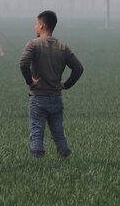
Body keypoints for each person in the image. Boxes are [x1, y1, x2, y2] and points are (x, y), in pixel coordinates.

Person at [19, 10, 84, 158]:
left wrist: (30, 82)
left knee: (36, 133)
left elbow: (23, 64)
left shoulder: (33, 44)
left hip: (38, 98)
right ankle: (65, 159)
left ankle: (36, 163)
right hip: (56, 98)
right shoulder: (62, 47)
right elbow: (78, 68)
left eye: (36, 24)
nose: (35, 27)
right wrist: (66, 85)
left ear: (42, 26)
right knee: (59, 134)